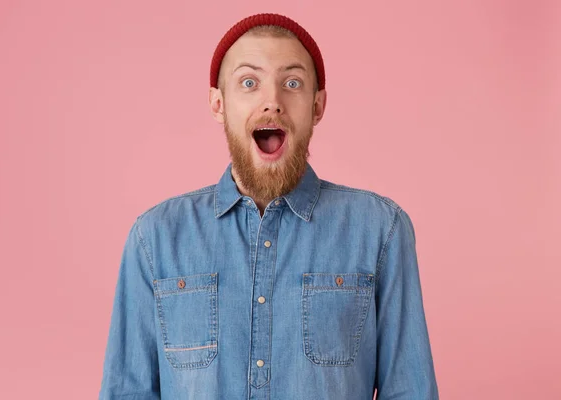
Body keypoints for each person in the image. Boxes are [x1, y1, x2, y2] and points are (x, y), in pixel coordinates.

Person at [98, 13, 439, 400]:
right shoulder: (154, 239)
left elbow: (410, 390)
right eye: (249, 82)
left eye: (292, 83)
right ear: (218, 104)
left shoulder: (381, 230)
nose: (272, 102)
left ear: (317, 106)